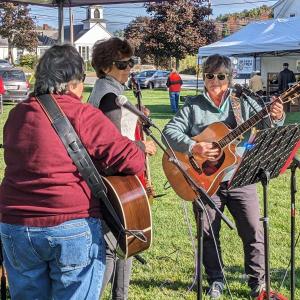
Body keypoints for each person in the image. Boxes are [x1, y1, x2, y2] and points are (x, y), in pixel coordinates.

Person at [0, 44, 145, 300]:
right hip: (70, 225)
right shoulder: (82, 113)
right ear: (72, 82)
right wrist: (139, 146)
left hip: (15, 226)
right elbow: (132, 161)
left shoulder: (16, 114)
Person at [162, 54, 284, 299]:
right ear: (204, 77)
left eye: (220, 76)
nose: (214, 81)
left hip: (240, 177)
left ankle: (257, 283)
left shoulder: (243, 101)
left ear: (229, 78)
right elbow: (168, 131)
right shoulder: (193, 105)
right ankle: (215, 279)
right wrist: (192, 146)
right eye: (209, 76)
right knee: (208, 232)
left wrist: (277, 115)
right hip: (205, 181)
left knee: (252, 230)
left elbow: (270, 125)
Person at [88, 37, 156, 300]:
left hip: (121, 179)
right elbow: (112, 146)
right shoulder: (109, 96)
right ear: (105, 67)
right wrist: (141, 146)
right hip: (116, 179)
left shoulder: (110, 89)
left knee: (126, 242)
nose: (129, 68)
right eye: (122, 64)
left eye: (131, 62)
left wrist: (137, 113)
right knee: (118, 243)